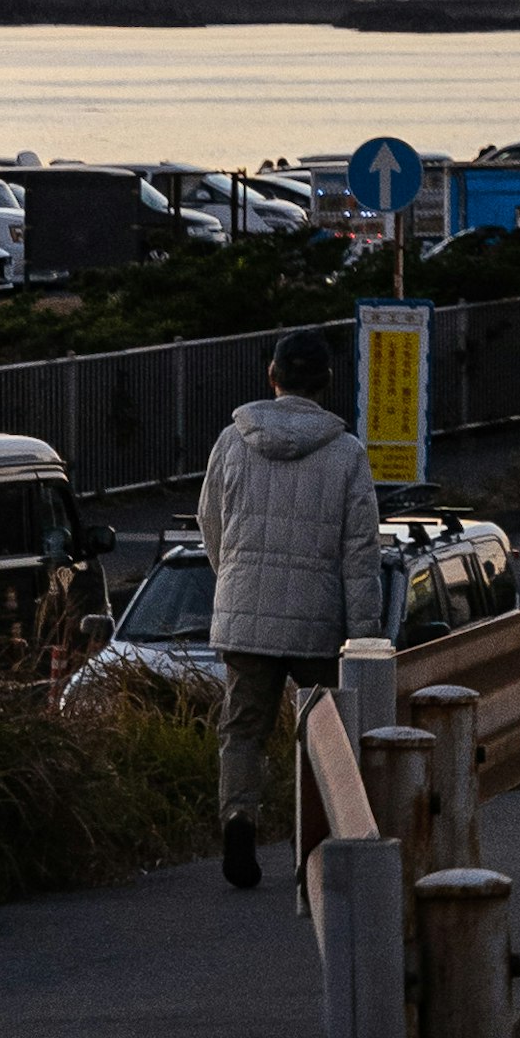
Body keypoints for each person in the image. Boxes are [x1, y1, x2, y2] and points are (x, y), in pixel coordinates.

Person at [196, 329, 383, 892]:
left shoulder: (232, 441)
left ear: (272, 377)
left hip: (244, 611)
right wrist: (365, 635)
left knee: (243, 730)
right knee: (326, 735)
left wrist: (234, 578)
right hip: (320, 622)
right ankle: (318, 849)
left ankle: (238, 822)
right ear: (326, 382)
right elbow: (361, 552)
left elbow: (210, 523)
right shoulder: (347, 453)